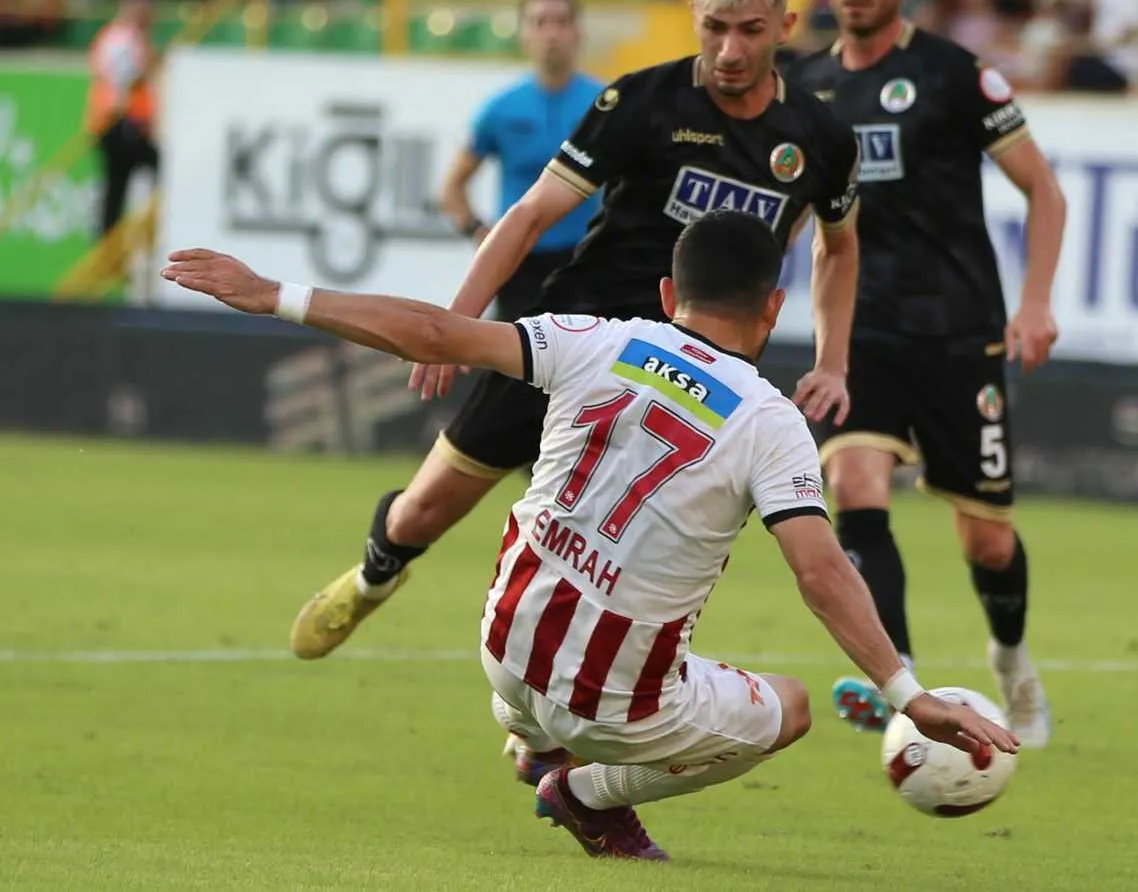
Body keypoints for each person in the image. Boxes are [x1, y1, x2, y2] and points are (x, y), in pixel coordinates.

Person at [161, 212, 1020, 861]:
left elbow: (431, 332)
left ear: (665, 295)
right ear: (774, 307)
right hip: (613, 700)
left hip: (501, 648)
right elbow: (821, 571)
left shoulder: (593, 339)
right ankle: (585, 790)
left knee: (559, 655)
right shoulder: (772, 421)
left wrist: (273, 292)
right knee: (791, 703)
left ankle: (535, 742)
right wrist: (908, 693)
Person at [286, 0, 863, 747]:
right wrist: (453, 325)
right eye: (714, 26)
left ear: (786, 25)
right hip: (579, 349)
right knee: (425, 511)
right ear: (695, 15)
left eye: (750, 30)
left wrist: (833, 358)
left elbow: (840, 247)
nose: (730, 49)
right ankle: (378, 571)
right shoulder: (640, 103)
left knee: (645, 564)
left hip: (686, 388)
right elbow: (527, 216)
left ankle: (564, 732)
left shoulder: (821, 139)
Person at [784, 0, 1066, 749]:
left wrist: (1037, 302)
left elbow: (1043, 192)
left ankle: (1010, 656)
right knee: (855, 485)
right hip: (859, 332)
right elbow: (793, 213)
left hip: (958, 332)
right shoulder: (804, 87)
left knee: (985, 538)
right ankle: (899, 678)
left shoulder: (954, 73)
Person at [440, 0, 603, 321]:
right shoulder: (501, 109)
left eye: (561, 21)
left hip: (585, 264)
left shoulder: (605, 103)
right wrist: (478, 232)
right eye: (540, 22)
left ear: (578, 32)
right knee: (511, 367)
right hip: (518, 265)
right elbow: (452, 187)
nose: (551, 33)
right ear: (524, 33)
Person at [87, 0, 158, 236]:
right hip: (119, 121)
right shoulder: (123, 39)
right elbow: (126, 77)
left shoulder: (117, 36)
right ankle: (108, 243)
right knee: (119, 185)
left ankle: (109, 242)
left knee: (117, 187)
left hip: (116, 120)